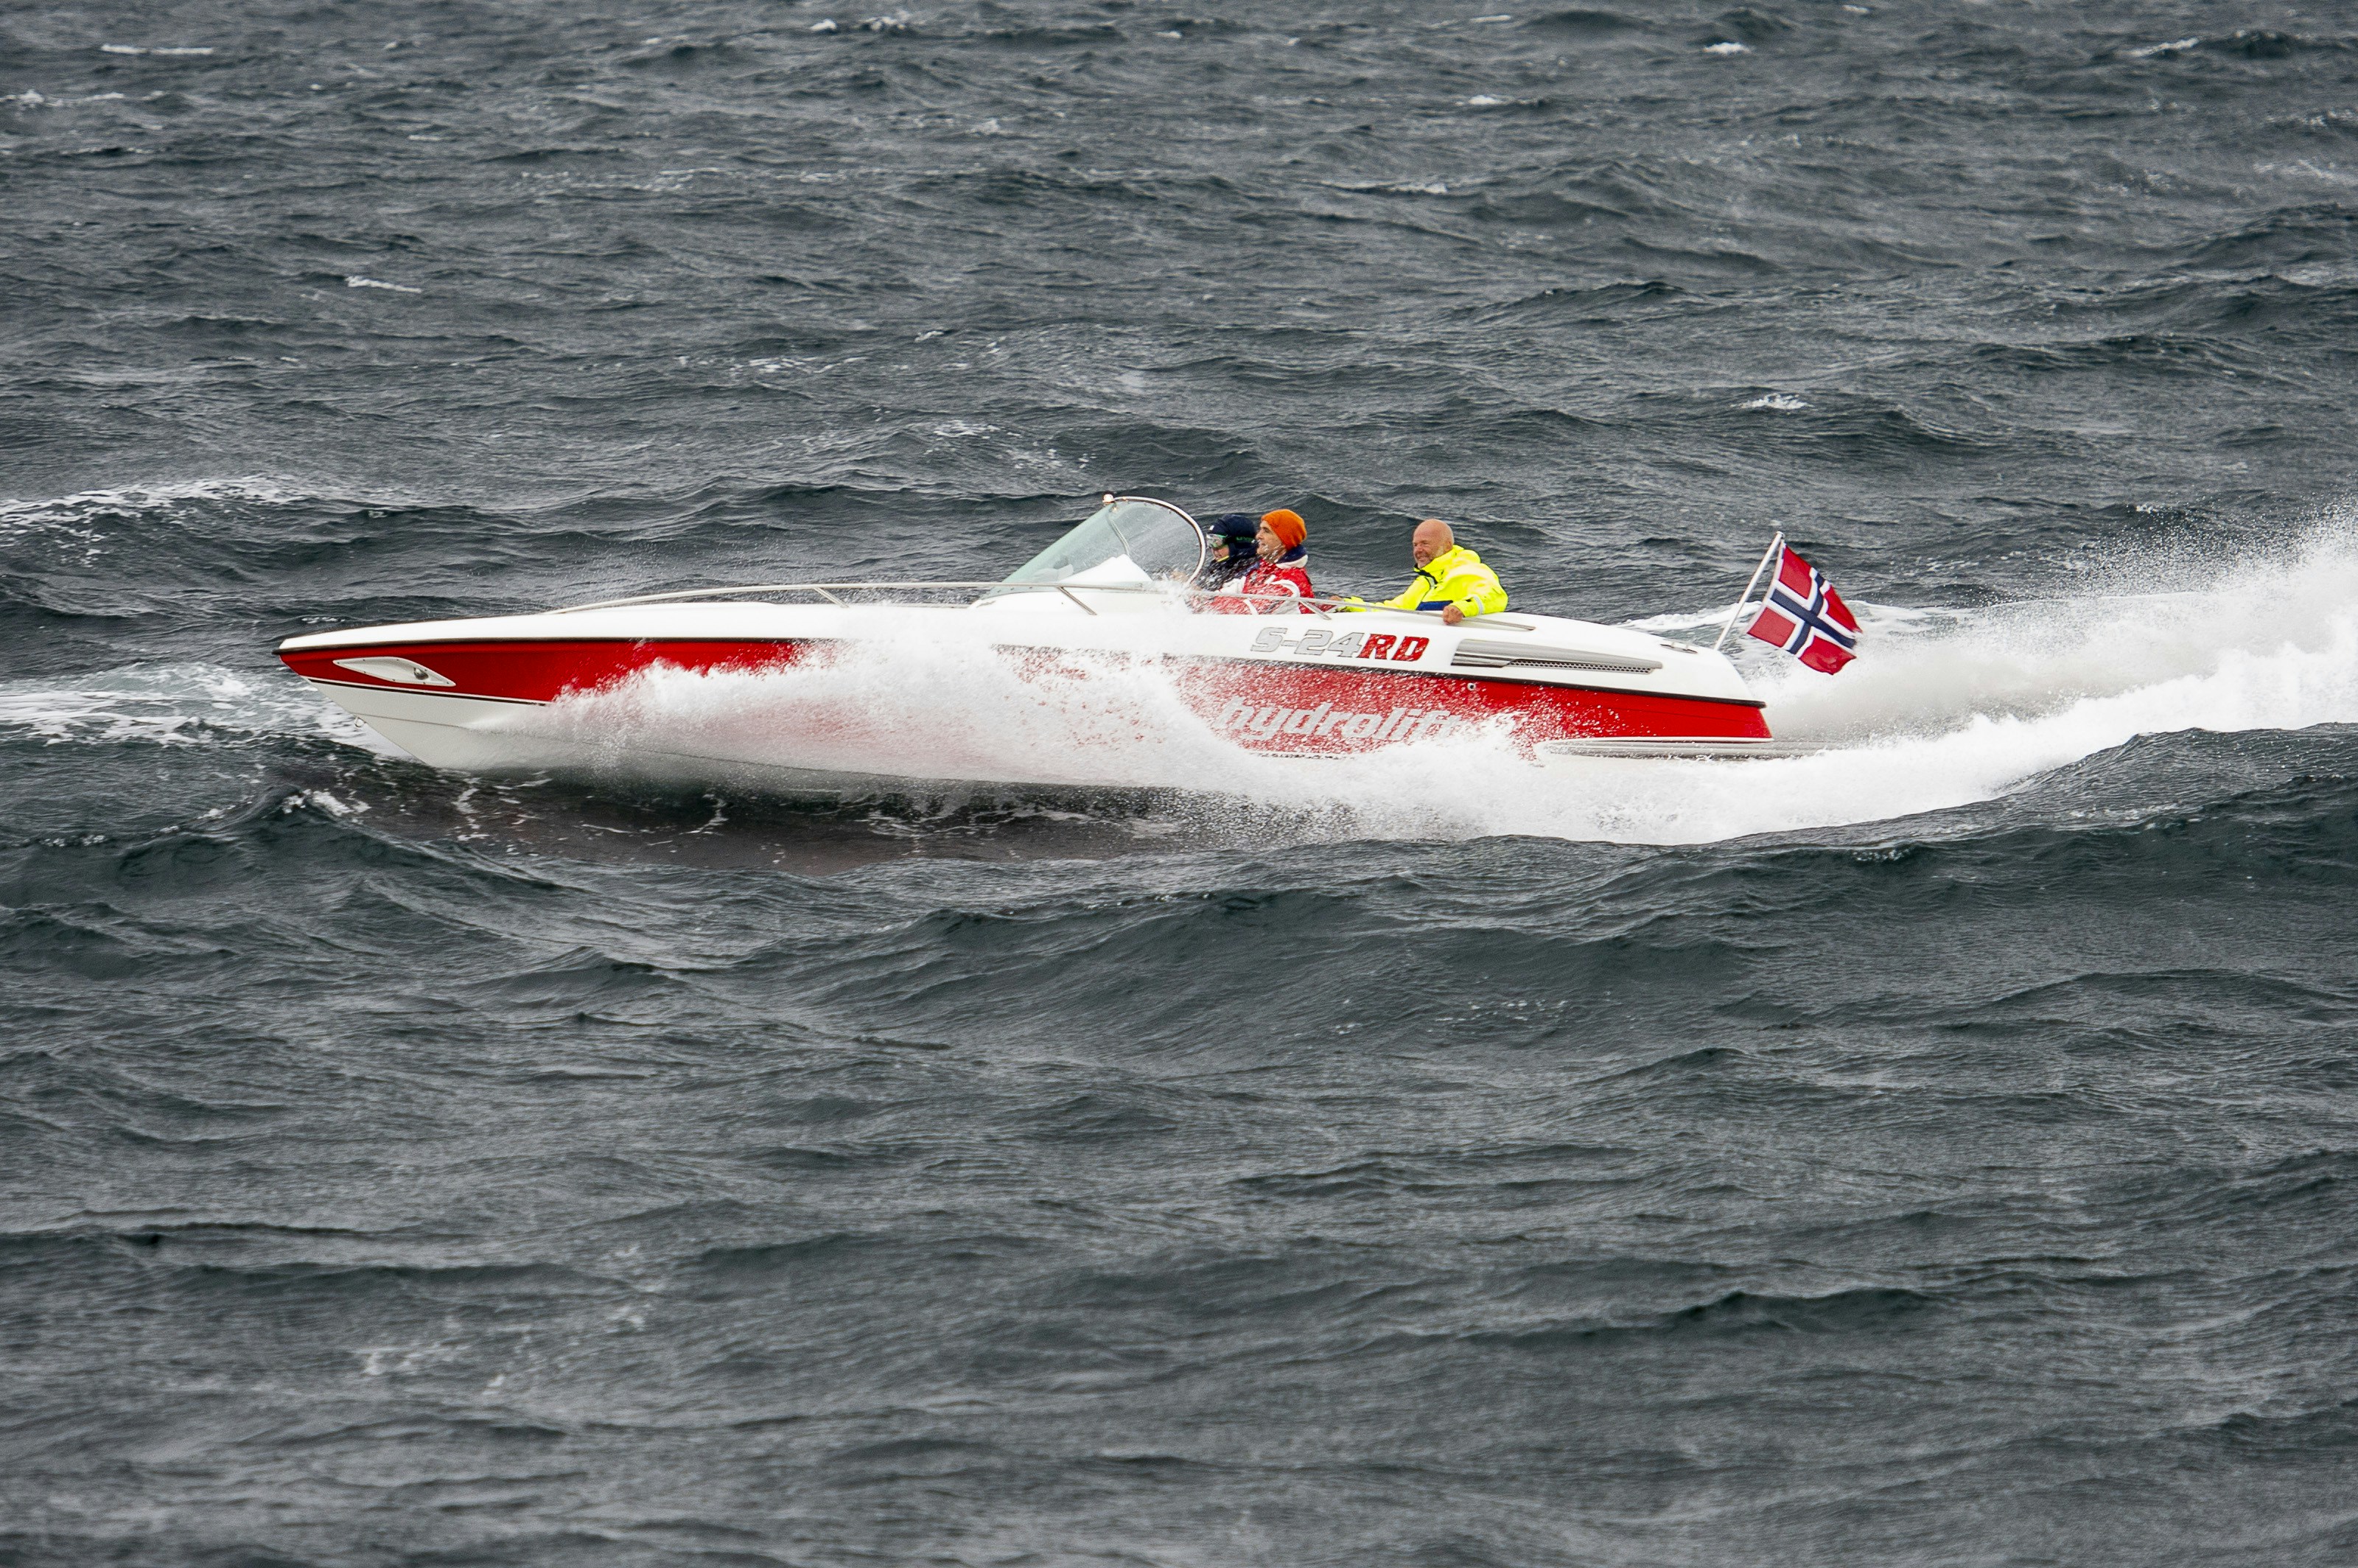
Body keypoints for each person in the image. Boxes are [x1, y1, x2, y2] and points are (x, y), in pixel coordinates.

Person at [1352, 518, 1506, 626]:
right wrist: (1348, 606)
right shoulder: (1425, 582)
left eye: (1425, 544)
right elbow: (1393, 611)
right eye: (1415, 545)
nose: (1418, 550)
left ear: (1447, 547)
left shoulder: (1467, 569)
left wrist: (1462, 608)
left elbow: (1494, 596)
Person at [1210, 508, 1315, 614]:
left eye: (1266, 531)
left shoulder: (1290, 582)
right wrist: (1202, 599)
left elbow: (1246, 612)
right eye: (1260, 530)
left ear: (1283, 542)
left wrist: (1211, 603)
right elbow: (1220, 595)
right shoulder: (1263, 568)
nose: (1258, 536)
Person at [1200, 514, 1259, 591]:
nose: (1214, 549)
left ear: (1239, 543)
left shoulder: (1254, 571)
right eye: (1210, 541)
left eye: (1216, 542)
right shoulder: (1218, 568)